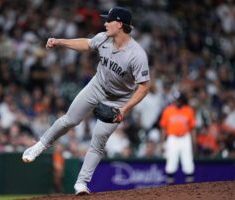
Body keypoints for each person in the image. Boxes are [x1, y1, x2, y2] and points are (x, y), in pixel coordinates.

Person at [22, 7, 151, 195]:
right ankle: (39, 146)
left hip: (118, 99)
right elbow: (87, 44)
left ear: (120, 24)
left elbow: (144, 87)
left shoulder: (137, 55)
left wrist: (125, 108)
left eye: (109, 20)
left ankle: (81, 184)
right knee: (70, 120)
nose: (105, 23)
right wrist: (59, 41)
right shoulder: (104, 38)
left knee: (98, 141)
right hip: (97, 85)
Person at [160, 92, 196, 184]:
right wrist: (162, 142)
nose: (177, 102)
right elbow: (163, 128)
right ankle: (171, 190)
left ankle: (190, 189)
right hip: (172, 138)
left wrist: (193, 143)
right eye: (175, 100)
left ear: (182, 100)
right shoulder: (168, 110)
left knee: (188, 162)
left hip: (185, 137)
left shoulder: (188, 110)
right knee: (171, 162)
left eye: (179, 99)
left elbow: (192, 129)